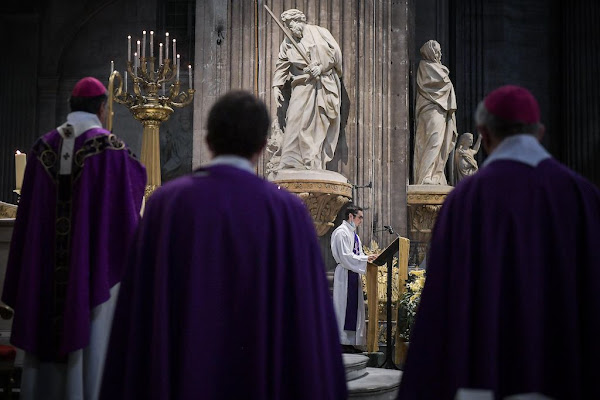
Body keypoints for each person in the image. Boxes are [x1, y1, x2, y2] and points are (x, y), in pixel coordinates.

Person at [99, 91, 347, 400]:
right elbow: (311, 324)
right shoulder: (288, 212)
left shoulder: (167, 205)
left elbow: (137, 317)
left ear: (209, 141)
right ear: (261, 147)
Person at [397, 85, 600, 399]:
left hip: (485, 377)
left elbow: (440, 308)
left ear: (485, 134)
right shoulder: (582, 196)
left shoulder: (465, 200)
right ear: (540, 132)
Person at [2, 77, 146, 400]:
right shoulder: (112, 150)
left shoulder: (42, 148)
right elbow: (130, 201)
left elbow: (27, 224)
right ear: (101, 108)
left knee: (44, 367)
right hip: (91, 275)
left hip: (46, 276)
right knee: (93, 350)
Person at [272, 8, 343, 170]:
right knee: (294, 118)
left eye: (291, 24)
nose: (290, 29)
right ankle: (290, 161)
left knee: (318, 121)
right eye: (288, 26)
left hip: (323, 84)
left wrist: (322, 67)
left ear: (299, 21)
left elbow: (336, 55)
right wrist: (276, 86)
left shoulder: (320, 32)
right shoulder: (288, 42)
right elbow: (282, 64)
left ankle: (313, 160)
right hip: (302, 85)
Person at [331, 205, 377, 351]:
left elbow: (357, 254)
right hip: (345, 275)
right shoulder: (341, 232)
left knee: (353, 309)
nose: (361, 221)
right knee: (344, 308)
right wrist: (364, 259)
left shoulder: (353, 234)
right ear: (351, 216)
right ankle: (341, 342)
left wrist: (368, 257)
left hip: (352, 274)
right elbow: (345, 256)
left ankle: (349, 342)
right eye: (360, 217)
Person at [413, 39, 457, 185]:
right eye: (437, 50)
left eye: (439, 50)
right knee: (433, 140)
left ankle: (436, 175)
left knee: (441, 142)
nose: (440, 53)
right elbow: (437, 83)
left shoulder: (437, 67)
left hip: (441, 109)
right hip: (430, 108)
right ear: (430, 51)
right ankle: (425, 176)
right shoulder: (425, 66)